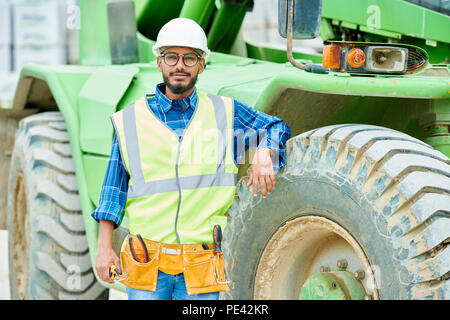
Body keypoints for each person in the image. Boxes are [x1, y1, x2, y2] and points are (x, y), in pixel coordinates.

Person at [92, 18, 291, 300]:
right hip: (146, 261)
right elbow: (113, 191)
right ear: (159, 63)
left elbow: (277, 126)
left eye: (190, 57)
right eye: (171, 56)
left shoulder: (226, 113)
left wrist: (263, 152)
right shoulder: (130, 120)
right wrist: (104, 247)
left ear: (202, 65)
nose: (180, 65)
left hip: (201, 265)